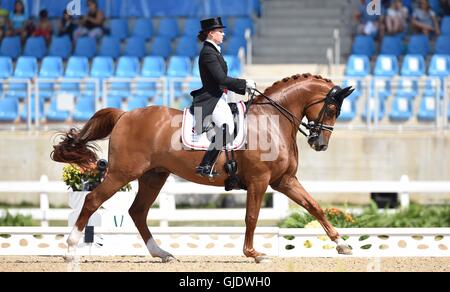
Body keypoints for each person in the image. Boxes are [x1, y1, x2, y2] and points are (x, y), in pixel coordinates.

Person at [190, 17, 256, 177]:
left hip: (220, 96)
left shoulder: (213, 51)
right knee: (228, 128)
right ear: (211, 33)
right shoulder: (208, 53)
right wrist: (244, 83)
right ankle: (205, 165)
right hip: (212, 98)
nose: (223, 34)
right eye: (220, 31)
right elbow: (221, 79)